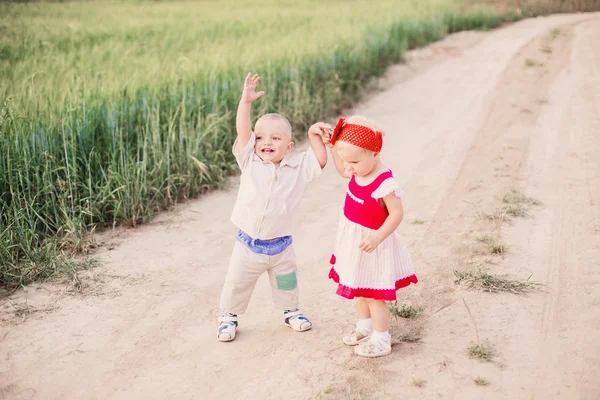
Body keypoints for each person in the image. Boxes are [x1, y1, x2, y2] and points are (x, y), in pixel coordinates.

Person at [217, 73, 330, 342]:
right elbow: (243, 131)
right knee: (236, 284)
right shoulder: (250, 161)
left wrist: (314, 132)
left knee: (287, 283)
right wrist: (246, 102)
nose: (266, 142)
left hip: (281, 245)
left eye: (276, 139)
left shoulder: (298, 168)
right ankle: (228, 317)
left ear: (289, 146)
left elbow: (321, 160)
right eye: (261, 137)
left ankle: (291, 312)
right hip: (248, 244)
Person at [324, 115, 418, 357]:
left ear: (374, 153)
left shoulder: (384, 182)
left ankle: (381, 337)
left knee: (374, 295)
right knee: (358, 287)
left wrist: (377, 237)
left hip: (375, 243)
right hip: (355, 242)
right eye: (346, 162)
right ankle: (364, 327)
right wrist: (334, 150)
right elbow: (342, 168)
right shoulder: (356, 169)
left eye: (353, 162)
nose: (348, 168)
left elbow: (396, 214)